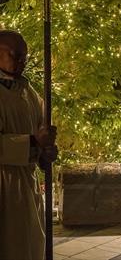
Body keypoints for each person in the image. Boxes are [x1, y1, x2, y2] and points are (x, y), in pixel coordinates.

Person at [0, 30, 57, 260]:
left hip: (27, 184)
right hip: (3, 186)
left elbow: (43, 134)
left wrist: (47, 153)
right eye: (16, 55)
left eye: (24, 57)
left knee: (31, 247)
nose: (22, 61)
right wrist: (33, 142)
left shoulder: (29, 93)